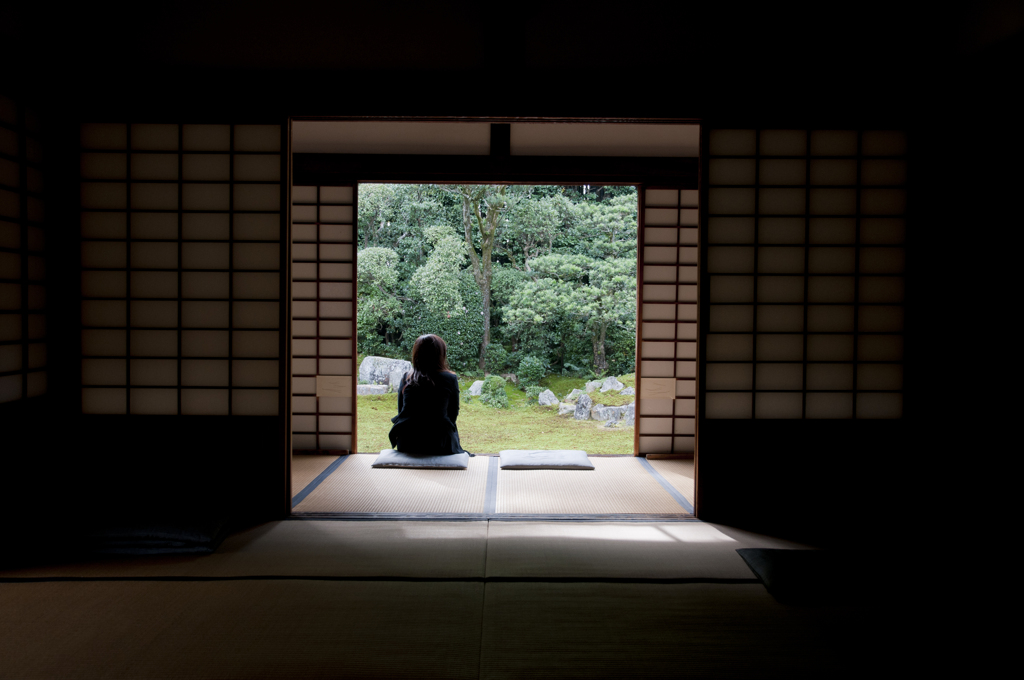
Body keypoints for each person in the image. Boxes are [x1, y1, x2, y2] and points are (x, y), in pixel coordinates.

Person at [388, 334, 471, 456]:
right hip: (439, 442)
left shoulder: (407, 377)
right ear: (440, 355)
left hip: (407, 442)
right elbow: (453, 414)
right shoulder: (449, 378)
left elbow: (402, 411)